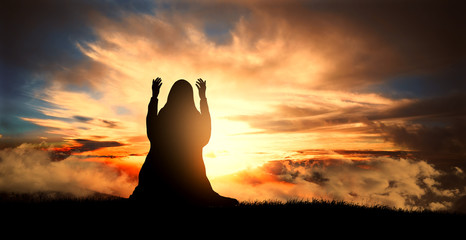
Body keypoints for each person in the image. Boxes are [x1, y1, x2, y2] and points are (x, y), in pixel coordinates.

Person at [130, 77, 238, 207]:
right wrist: (203, 99)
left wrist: (154, 97)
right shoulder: (192, 116)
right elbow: (205, 136)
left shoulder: (165, 114)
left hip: (155, 178)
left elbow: (152, 132)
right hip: (189, 178)